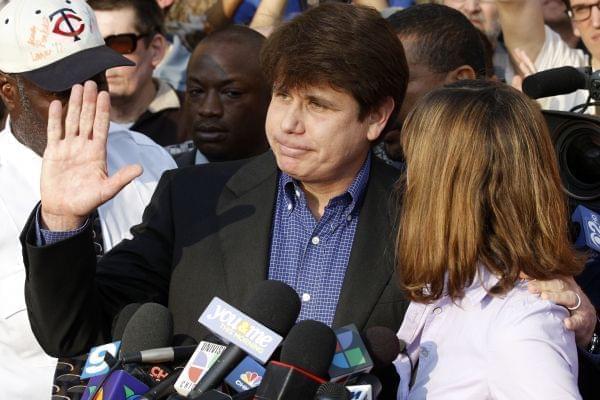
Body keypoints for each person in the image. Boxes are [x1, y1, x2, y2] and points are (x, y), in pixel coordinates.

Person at [21, 2, 409, 360]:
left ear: (376, 116)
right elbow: (73, 334)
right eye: (283, 96)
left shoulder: (426, 213)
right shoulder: (192, 199)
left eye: (317, 105)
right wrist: (62, 222)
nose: (289, 124)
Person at [0, 0, 176, 398]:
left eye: (94, 79)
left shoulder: (149, 159)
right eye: (62, 89)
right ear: (9, 91)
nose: (86, 100)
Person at [394, 80, 582, 399]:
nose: (406, 180)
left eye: (416, 164)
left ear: (449, 187)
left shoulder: (519, 325)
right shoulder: (449, 286)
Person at [378, 3, 487, 166]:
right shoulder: (356, 175)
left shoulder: (511, 171)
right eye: (376, 83)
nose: (378, 100)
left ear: (462, 81)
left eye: (397, 82)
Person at [88, 0, 186, 146]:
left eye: (119, 44)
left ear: (156, 50)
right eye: (93, 45)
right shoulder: (63, 121)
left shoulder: (197, 116)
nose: (104, 60)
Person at [175, 25, 271, 167]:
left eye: (232, 93)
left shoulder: (298, 184)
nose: (208, 109)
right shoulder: (155, 178)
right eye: (196, 91)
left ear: (271, 97)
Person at [496, 0, 594, 112]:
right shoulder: (561, 67)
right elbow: (514, 4)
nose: (596, 22)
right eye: (581, 9)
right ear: (574, 21)